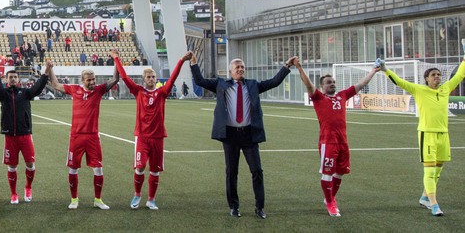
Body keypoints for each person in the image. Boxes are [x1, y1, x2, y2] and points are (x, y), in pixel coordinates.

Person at [190, 53, 295, 219]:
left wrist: (287, 66)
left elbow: (273, 82)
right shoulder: (220, 84)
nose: (240, 69)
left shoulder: (252, 85)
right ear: (230, 71)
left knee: (257, 171)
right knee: (231, 172)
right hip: (230, 135)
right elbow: (200, 81)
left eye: (242, 67)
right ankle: (233, 206)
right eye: (237, 67)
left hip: (249, 135)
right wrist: (193, 63)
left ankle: (259, 207)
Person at [379, 54, 465, 216]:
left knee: (438, 170)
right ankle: (434, 204)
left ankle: (425, 197)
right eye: (433, 75)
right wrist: (385, 70)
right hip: (427, 134)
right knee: (430, 172)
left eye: (439, 75)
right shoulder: (419, 90)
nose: (437, 77)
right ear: (426, 79)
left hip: (444, 135)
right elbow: (400, 82)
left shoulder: (445, 88)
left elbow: (460, 74)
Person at [293, 57, 380, 217]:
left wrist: (373, 71)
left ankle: (330, 197)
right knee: (327, 173)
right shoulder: (319, 98)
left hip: (343, 142)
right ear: (322, 86)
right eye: (328, 82)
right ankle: (330, 203)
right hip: (328, 142)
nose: (332, 84)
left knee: (340, 172)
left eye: (333, 81)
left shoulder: (342, 95)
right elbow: (307, 84)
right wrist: (299, 68)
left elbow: (360, 84)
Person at [114, 49, 191, 210]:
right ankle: (137, 195)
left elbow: (173, 77)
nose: (151, 79)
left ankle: (151, 199)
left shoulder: (162, 92)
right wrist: (116, 59)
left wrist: (181, 60)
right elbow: (125, 77)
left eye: (153, 77)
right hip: (142, 137)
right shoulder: (139, 91)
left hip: (157, 137)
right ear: (144, 80)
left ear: (156, 79)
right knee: (140, 167)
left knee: (155, 171)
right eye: (148, 77)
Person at [45, 60, 118, 210]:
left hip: (92, 137)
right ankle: (74, 199)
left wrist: (116, 60)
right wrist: (51, 69)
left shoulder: (99, 90)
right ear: (82, 80)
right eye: (89, 80)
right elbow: (55, 85)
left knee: (98, 168)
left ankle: (98, 199)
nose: (92, 82)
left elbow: (115, 79)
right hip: (76, 136)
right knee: (73, 168)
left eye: (93, 79)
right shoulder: (74, 89)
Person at [0, 57, 49, 204]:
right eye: (10, 77)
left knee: (30, 164)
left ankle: (28, 188)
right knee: (12, 166)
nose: (13, 79)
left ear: (18, 79)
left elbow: (38, 88)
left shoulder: (25, 93)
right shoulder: (3, 94)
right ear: (6, 79)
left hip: (25, 135)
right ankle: (14, 193)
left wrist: (46, 73)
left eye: (15, 77)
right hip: (10, 136)